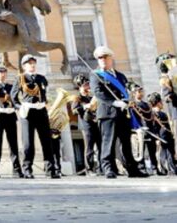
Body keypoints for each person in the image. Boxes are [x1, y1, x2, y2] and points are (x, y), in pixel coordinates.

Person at [89, 46, 147, 179]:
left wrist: (126, 101)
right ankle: (108, 168)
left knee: (126, 142)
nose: (102, 60)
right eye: (99, 58)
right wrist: (114, 102)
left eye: (105, 57)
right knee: (108, 142)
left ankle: (132, 169)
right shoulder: (95, 75)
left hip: (123, 113)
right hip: (108, 113)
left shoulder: (121, 76)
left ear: (110, 58)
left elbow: (126, 91)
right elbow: (98, 93)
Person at [11, 54, 59, 179]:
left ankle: (50, 169)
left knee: (46, 141)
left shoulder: (42, 78)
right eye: (29, 63)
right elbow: (13, 96)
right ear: (24, 66)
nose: (31, 65)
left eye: (33, 63)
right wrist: (19, 107)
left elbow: (45, 94)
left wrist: (47, 105)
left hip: (41, 110)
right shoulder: (20, 78)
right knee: (28, 143)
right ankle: (27, 169)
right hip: (27, 112)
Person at [129, 83, 163, 175]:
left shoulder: (147, 105)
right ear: (134, 93)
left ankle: (155, 168)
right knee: (141, 150)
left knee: (152, 150)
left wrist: (153, 130)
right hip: (139, 130)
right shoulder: (132, 105)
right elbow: (133, 117)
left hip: (149, 129)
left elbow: (151, 117)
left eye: (141, 91)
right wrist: (138, 127)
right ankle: (142, 167)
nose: (141, 93)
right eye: (138, 91)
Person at [70, 74, 102, 176]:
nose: (88, 87)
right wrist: (85, 106)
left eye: (88, 85)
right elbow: (74, 111)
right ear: (80, 87)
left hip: (95, 122)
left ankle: (102, 167)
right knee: (89, 147)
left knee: (100, 145)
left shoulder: (91, 97)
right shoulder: (77, 98)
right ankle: (90, 169)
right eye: (85, 85)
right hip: (86, 124)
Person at [148, 92, 177, 175]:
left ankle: (170, 168)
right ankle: (169, 169)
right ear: (158, 103)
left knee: (169, 152)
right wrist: (157, 137)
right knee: (165, 153)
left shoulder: (158, 113)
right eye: (161, 102)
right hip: (162, 136)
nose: (162, 104)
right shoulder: (156, 114)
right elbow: (155, 127)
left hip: (166, 136)